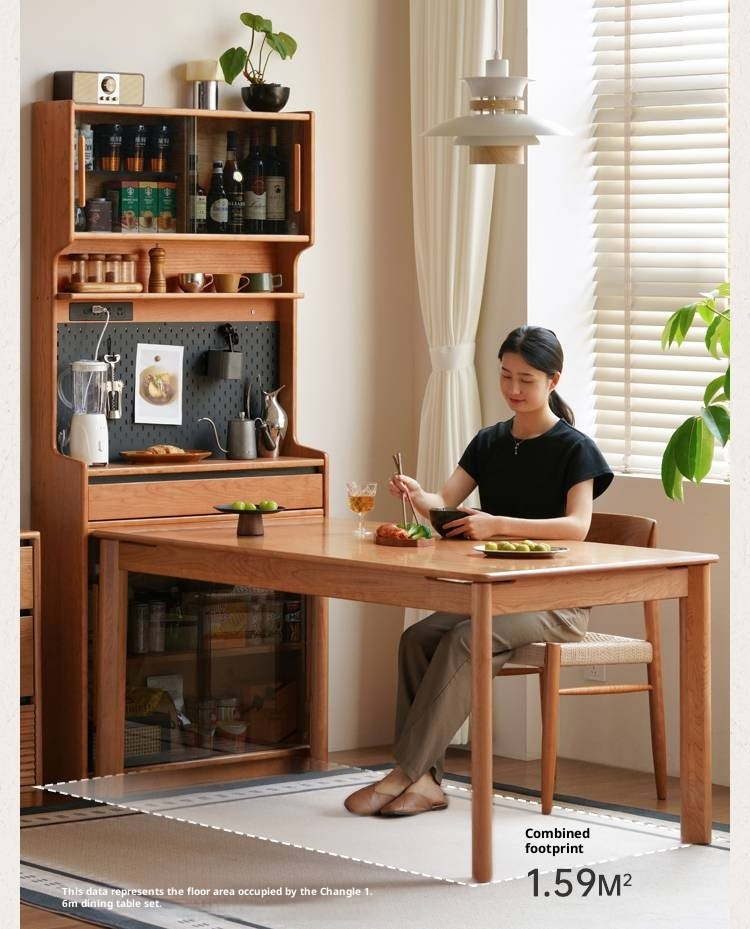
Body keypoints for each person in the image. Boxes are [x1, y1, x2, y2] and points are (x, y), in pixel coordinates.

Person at [343, 325, 613, 817]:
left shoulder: (576, 449)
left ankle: (404, 772)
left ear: (553, 380)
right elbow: (443, 504)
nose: (513, 389)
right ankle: (426, 781)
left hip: (558, 603)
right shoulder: (489, 442)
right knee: (418, 638)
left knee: (467, 638)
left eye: (526, 380)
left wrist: (496, 524)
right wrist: (417, 494)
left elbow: (577, 527)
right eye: (506, 376)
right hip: (498, 593)